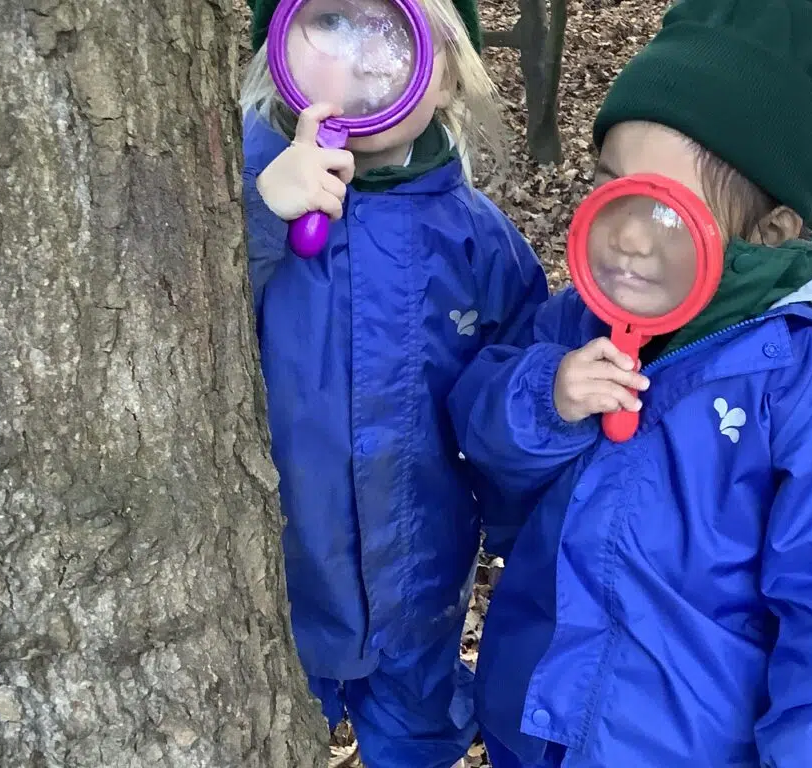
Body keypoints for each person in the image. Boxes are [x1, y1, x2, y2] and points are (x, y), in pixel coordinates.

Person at [448, 0, 812, 765]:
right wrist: (547, 398)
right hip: (532, 724)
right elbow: (485, 449)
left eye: (664, 212)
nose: (628, 237)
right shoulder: (575, 325)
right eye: (610, 190)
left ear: (768, 233)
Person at [239, 0, 548, 765]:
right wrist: (258, 213)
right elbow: (168, 323)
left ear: (446, 78)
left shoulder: (478, 240)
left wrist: (530, 547)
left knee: (414, 736)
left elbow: (512, 401)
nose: (359, 64)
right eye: (330, 26)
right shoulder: (226, 186)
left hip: (418, 579)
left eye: (390, 39)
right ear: (277, 56)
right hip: (268, 581)